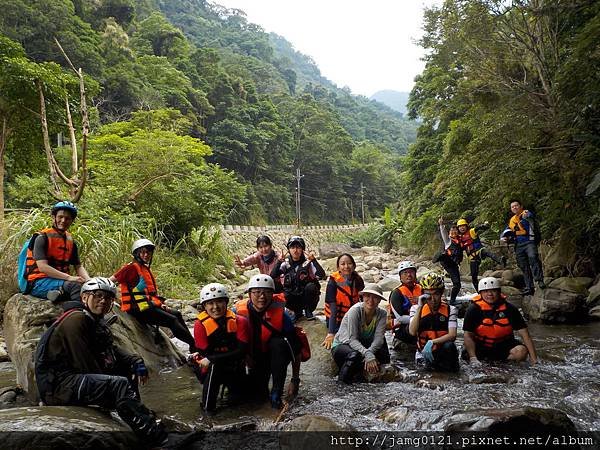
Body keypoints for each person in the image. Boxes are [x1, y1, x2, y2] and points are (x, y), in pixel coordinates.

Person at [35, 277, 167, 445]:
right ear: (84, 298)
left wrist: (136, 361)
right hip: (58, 387)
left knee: (129, 368)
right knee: (118, 384)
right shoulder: (75, 320)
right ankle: (156, 438)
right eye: (97, 295)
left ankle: (139, 417)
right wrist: (115, 391)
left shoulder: (92, 320)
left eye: (108, 297)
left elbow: (110, 349)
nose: (103, 300)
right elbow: (85, 364)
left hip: (72, 380)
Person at [111, 238, 196, 353]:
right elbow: (111, 280)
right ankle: (195, 346)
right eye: (143, 252)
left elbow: (149, 294)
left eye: (149, 252)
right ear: (137, 253)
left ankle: (193, 346)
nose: (146, 255)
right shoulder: (130, 268)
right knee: (172, 320)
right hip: (137, 309)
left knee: (177, 314)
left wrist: (160, 305)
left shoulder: (144, 268)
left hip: (147, 306)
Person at [233, 274, 301, 409]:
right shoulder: (237, 314)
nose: (262, 296)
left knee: (279, 343)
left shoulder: (283, 316)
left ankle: (277, 390)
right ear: (249, 293)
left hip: (274, 358)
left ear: (272, 294)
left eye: (267, 292)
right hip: (250, 359)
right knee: (252, 397)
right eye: (257, 292)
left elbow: (296, 350)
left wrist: (295, 379)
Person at [192, 283, 250, 415]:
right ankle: (208, 408)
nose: (215, 307)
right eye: (210, 303)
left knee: (239, 401)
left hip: (234, 365)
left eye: (219, 302)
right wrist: (213, 359)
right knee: (214, 367)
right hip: (211, 369)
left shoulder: (240, 321)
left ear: (226, 302)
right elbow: (204, 354)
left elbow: (242, 351)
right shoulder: (200, 325)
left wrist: (213, 358)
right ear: (204, 306)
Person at [462, 277, 538, 366]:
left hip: (503, 346)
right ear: (480, 293)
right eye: (486, 291)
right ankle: (480, 361)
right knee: (467, 355)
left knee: (521, 352)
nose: (490, 294)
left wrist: (534, 360)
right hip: (481, 346)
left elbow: (525, 335)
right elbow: (468, 336)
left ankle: (502, 364)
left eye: (493, 291)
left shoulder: (510, 309)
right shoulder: (473, 310)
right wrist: (473, 358)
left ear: (499, 292)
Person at [24, 201, 90, 302]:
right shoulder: (42, 238)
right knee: (75, 287)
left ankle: (61, 296)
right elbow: (43, 267)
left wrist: (89, 280)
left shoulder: (71, 242)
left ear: (72, 220)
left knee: (89, 289)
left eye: (67, 218)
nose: (63, 220)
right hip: (38, 282)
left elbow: (78, 266)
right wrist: (69, 278)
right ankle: (78, 314)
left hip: (60, 281)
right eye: (60, 217)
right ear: (54, 217)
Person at [331, 283, 390, 384]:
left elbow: (379, 338)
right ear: (362, 297)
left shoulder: (382, 314)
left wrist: (370, 353)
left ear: (379, 300)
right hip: (344, 345)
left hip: (365, 345)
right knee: (355, 355)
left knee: (384, 353)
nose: (370, 300)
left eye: (375, 297)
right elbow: (352, 339)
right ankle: (341, 384)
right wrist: (368, 354)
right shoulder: (355, 311)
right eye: (367, 296)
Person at [408, 273, 459, 372]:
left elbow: (452, 335)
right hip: (423, 353)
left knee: (450, 346)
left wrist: (432, 342)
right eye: (428, 295)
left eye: (436, 294)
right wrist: (420, 307)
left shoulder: (451, 309)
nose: (433, 299)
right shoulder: (415, 309)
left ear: (441, 293)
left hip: (443, 351)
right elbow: (412, 331)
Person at [270, 236, 325, 321]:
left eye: (298, 247)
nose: (295, 250)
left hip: (306, 297)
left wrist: (314, 260)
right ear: (289, 250)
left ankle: (308, 311)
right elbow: (272, 276)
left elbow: (321, 275)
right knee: (279, 289)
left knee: (311, 286)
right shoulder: (285, 264)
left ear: (302, 249)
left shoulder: (308, 263)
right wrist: (279, 261)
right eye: (292, 247)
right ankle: (295, 312)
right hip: (292, 298)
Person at [503, 199, 546, 295]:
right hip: (518, 245)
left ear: (521, 206)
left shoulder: (526, 213)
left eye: (516, 205)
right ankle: (529, 287)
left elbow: (529, 216)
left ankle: (540, 281)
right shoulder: (512, 220)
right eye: (512, 207)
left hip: (529, 242)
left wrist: (525, 215)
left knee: (533, 258)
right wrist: (504, 237)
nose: (514, 207)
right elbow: (506, 231)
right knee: (523, 265)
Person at [322, 253, 364, 350]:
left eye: (349, 263)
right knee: (346, 337)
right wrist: (331, 333)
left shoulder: (358, 280)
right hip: (337, 319)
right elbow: (333, 309)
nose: (346, 266)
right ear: (338, 267)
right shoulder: (333, 282)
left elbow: (363, 302)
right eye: (343, 264)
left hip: (352, 316)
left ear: (354, 266)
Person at [456, 218, 506, 291]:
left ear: (466, 226)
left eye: (463, 226)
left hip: (479, 251)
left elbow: (478, 228)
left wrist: (485, 225)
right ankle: (479, 292)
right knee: (474, 277)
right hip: (472, 257)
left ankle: (500, 259)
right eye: (460, 227)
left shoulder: (471, 231)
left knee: (485, 251)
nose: (462, 228)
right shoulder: (460, 238)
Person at [387, 260, 421, 347]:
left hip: (419, 323)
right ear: (400, 276)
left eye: (411, 272)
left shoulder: (422, 288)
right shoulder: (396, 293)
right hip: (402, 328)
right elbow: (400, 318)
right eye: (405, 273)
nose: (409, 275)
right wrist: (420, 320)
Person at [433, 217, 463, 305]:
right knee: (444, 255)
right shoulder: (448, 241)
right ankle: (439, 257)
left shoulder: (460, 241)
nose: (454, 232)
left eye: (455, 230)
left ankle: (452, 300)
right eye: (452, 230)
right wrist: (441, 225)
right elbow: (444, 233)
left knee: (457, 284)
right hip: (447, 262)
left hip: (454, 264)